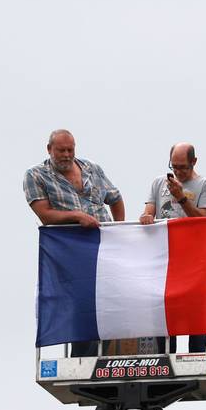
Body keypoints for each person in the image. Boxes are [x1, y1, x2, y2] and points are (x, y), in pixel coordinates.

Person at [25, 129, 125, 357]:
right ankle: (82, 358)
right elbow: (45, 215)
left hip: (103, 245)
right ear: (49, 149)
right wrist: (77, 216)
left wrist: (119, 230)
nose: (67, 155)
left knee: (110, 297)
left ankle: (109, 353)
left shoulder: (91, 168)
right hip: (71, 248)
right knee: (81, 303)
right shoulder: (36, 175)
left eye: (71, 149)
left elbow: (116, 198)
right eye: (61, 150)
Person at [140, 142, 206, 353]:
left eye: (183, 167)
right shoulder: (159, 182)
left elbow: (203, 219)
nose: (178, 172)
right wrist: (146, 216)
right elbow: (149, 209)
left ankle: (197, 355)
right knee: (165, 305)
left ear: (194, 162)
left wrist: (181, 198)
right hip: (165, 257)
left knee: (195, 309)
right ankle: (165, 353)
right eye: (174, 166)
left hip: (194, 258)